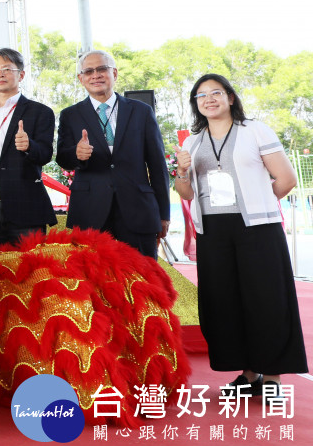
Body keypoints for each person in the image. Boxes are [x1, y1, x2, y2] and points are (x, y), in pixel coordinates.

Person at [175, 74, 306, 396]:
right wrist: (180, 171)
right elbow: (186, 193)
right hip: (214, 233)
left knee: (266, 300)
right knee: (224, 303)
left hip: (257, 229)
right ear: (196, 104)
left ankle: (273, 375)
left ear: (230, 98)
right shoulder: (192, 142)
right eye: (201, 95)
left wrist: (257, 201)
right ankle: (248, 373)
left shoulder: (255, 131)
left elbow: (286, 180)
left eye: (216, 93)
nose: (209, 99)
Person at [56, 50, 169, 259]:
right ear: (81, 79)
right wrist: (77, 154)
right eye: (88, 71)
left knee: (143, 278)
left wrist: (163, 214)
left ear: (114, 73)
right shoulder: (70, 115)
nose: (95, 75)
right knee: (94, 281)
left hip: (138, 209)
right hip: (90, 210)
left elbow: (157, 165)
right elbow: (62, 158)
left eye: (101, 69)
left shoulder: (141, 111)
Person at [0, 48, 56, 248]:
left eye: (7, 69)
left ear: (21, 75)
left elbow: (46, 154)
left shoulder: (40, 112)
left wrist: (29, 146)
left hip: (26, 205)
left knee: (31, 270)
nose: (0, 74)